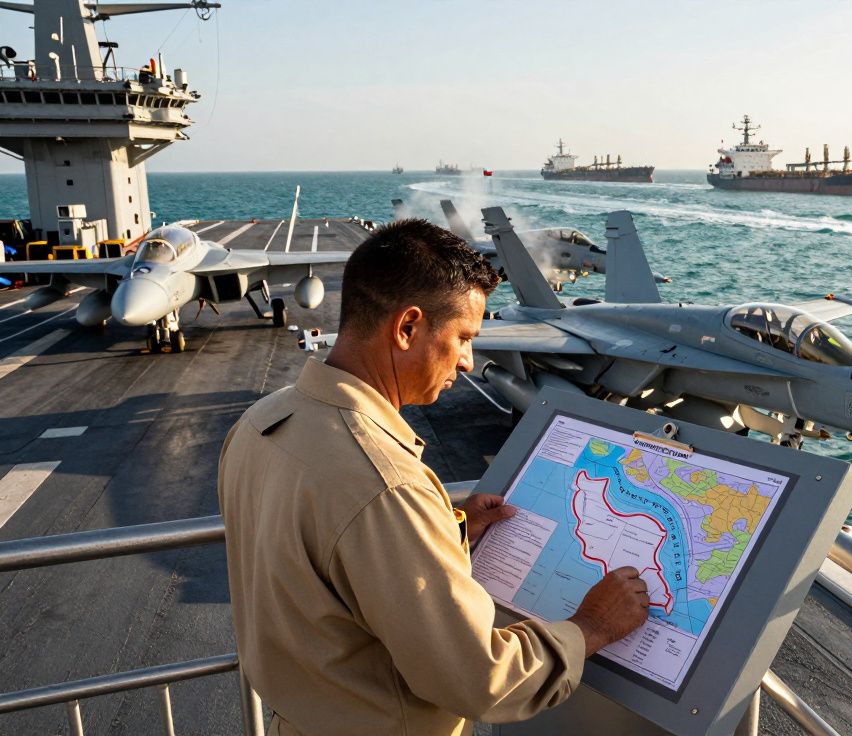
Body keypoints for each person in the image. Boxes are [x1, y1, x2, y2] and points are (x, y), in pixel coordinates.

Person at [218, 219, 650, 736]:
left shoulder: (261, 423)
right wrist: (592, 627)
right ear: (407, 328)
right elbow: (480, 680)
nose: (468, 361)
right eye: (464, 337)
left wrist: (446, 531)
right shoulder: (384, 485)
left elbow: (324, 570)